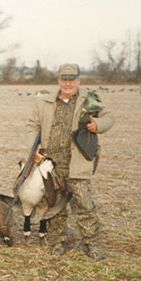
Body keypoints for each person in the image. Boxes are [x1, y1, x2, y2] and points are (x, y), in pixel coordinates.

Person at [24, 63, 114, 260]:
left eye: (71, 80)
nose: (68, 83)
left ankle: (91, 244)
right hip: (51, 165)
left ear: (78, 81)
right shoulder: (44, 102)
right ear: (59, 81)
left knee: (85, 206)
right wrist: (34, 151)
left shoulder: (89, 101)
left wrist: (97, 124)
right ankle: (58, 242)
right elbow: (32, 126)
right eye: (64, 79)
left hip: (78, 163)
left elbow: (109, 118)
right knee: (55, 207)